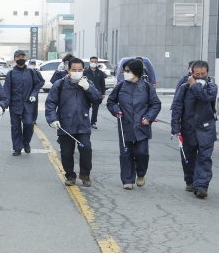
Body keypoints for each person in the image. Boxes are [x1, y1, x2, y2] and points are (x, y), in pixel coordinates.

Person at [45, 58, 102, 187]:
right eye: (74, 70)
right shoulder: (60, 84)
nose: (77, 72)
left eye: (80, 70)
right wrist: (52, 119)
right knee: (66, 152)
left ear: (83, 70)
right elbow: (50, 103)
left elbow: (97, 99)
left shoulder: (88, 83)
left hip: (83, 123)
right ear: (68, 70)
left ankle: (85, 174)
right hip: (65, 124)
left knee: (86, 149)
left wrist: (88, 89)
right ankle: (70, 175)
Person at [106, 59, 161, 190]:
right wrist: (116, 110)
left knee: (142, 153)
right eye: (125, 71)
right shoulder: (120, 87)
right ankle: (127, 179)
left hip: (142, 126)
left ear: (136, 72)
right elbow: (111, 102)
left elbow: (155, 104)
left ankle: (141, 174)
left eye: (127, 71)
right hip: (125, 125)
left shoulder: (147, 87)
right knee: (126, 153)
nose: (125, 73)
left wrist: (148, 117)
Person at [171, 60, 218, 198]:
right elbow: (177, 107)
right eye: (197, 74)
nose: (200, 76)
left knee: (204, 158)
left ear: (207, 73)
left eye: (203, 74)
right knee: (189, 157)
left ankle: (201, 187)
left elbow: (206, 98)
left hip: (206, 128)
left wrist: (195, 85)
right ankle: (190, 181)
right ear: (191, 73)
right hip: (188, 127)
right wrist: (175, 127)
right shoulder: (184, 87)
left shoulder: (212, 87)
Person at [4, 50, 42, 155]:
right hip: (15, 104)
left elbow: (38, 84)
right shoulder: (11, 74)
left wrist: (33, 94)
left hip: (28, 104)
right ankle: (17, 148)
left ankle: (26, 142)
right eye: (18, 57)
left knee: (29, 124)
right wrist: (4, 105)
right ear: (15, 59)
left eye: (23, 56)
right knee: (15, 127)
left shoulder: (31, 72)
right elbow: (6, 90)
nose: (21, 58)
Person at [84, 56, 107, 129]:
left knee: (95, 108)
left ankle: (93, 122)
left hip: (97, 93)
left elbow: (102, 83)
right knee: (85, 107)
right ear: (89, 62)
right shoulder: (85, 72)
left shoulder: (100, 73)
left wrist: (103, 93)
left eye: (95, 62)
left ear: (97, 62)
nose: (93, 63)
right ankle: (85, 121)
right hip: (87, 92)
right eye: (92, 61)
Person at [28, 59, 46, 124]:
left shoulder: (37, 72)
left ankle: (33, 119)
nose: (32, 65)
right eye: (31, 63)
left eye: (33, 64)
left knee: (34, 106)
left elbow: (42, 81)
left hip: (34, 92)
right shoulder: (26, 72)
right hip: (26, 92)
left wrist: (37, 88)